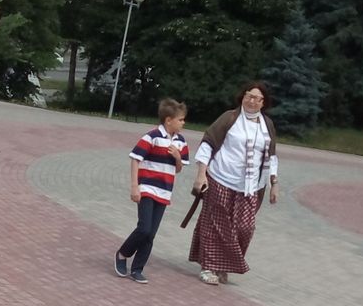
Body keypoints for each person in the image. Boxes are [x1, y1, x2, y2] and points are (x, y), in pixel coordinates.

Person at [188, 81, 279, 285]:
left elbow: (271, 155)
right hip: (221, 178)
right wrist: (201, 174)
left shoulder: (267, 125)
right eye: (249, 96)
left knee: (245, 228)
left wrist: (274, 183)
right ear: (243, 96)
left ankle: (223, 264)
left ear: (263, 102)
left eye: (257, 99)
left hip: (250, 186)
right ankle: (209, 267)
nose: (252, 101)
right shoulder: (229, 117)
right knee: (215, 224)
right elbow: (208, 143)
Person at [115, 98, 190, 284]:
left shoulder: (181, 142)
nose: (183, 123)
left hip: (164, 192)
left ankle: (137, 269)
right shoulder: (152, 136)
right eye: (180, 119)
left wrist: (177, 157)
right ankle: (123, 253)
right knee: (144, 228)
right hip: (147, 189)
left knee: (151, 234)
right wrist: (135, 186)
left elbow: (178, 169)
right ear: (168, 120)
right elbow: (135, 159)